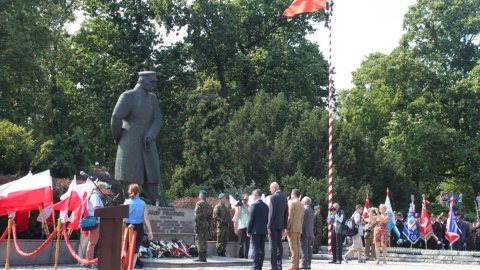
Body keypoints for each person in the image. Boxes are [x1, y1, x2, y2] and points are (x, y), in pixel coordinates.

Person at [111, 71, 167, 206]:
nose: (154, 85)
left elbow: (158, 119)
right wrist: (119, 138)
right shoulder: (128, 96)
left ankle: (157, 201)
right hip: (130, 140)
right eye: (151, 81)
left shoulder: (153, 98)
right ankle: (128, 201)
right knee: (129, 174)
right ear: (142, 80)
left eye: (155, 82)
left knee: (151, 173)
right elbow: (116, 118)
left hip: (148, 141)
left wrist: (151, 134)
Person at [123, 184, 154, 268]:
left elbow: (123, 217)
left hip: (127, 226)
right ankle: (132, 267)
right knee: (135, 248)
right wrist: (150, 231)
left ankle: (125, 266)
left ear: (129, 191)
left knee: (126, 247)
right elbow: (146, 218)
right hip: (138, 227)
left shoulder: (126, 202)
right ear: (138, 192)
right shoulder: (143, 203)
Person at [84, 181, 113, 268]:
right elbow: (96, 208)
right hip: (95, 221)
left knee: (94, 242)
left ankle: (91, 261)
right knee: (92, 242)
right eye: (106, 188)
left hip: (98, 221)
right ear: (101, 188)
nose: (108, 190)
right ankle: (89, 262)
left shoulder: (97, 196)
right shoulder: (95, 196)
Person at [267, 181, 288, 270]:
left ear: (274, 188)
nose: (269, 190)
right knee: (279, 245)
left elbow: (271, 214)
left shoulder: (273, 198)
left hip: (273, 226)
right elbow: (286, 213)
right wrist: (284, 226)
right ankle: (279, 265)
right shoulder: (284, 198)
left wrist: (269, 226)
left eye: (270, 188)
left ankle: (274, 266)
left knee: (273, 246)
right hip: (280, 225)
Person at [247, 189, 269, 270]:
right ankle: (260, 265)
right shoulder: (265, 206)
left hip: (255, 230)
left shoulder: (254, 205)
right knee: (261, 248)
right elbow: (267, 219)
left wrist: (248, 230)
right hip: (263, 230)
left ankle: (255, 265)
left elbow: (251, 219)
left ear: (255, 195)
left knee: (255, 248)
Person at [286, 189, 304, 270]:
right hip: (298, 227)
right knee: (297, 246)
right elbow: (302, 218)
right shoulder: (301, 204)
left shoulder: (292, 203)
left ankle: (294, 265)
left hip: (292, 227)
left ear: (293, 194)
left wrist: (287, 227)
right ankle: (296, 264)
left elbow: (290, 217)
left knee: (293, 247)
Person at [193, 190, 213, 262]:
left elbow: (196, 216)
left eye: (199, 195)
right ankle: (204, 256)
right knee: (205, 240)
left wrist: (196, 224)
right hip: (206, 223)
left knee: (199, 240)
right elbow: (211, 216)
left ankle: (200, 256)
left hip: (200, 223)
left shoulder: (199, 204)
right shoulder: (208, 205)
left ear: (201, 196)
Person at [300, 197, 314, 270]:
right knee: (308, 249)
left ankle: (304, 264)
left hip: (304, 231)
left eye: (302, 201)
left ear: (304, 202)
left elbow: (303, 222)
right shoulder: (311, 210)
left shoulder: (305, 210)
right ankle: (308, 264)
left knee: (304, 249)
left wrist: (300, 231)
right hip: (310, 231)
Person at [236, 193, 251, 258]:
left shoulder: (249, 206)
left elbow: (249, 213)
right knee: (241, 243)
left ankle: (246, 256)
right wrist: (239, 207)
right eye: (244, 199)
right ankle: (240, 256)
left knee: (247, 243)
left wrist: (244, 206)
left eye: (246, 199)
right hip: (241, 227)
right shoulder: (240, 207)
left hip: (247, 227)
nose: (245, 201)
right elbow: (238, 216)